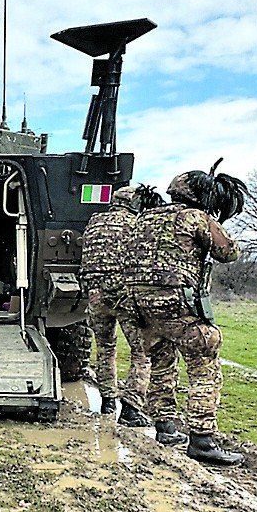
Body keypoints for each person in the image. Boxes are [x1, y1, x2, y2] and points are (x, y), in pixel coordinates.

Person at [125, 164, 247, 465]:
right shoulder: (195, 218)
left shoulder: (145, 217)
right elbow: (228, 252)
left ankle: (165, 428)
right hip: (175, 304)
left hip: (140, 305)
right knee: (204, 357)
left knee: (161, 363)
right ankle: (202, 440)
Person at [80, 185, 164, 426]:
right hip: (124, 293)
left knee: (105, 347)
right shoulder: (135, 223)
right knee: (142, 351)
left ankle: (107, 401)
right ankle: (131, 408)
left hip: (95, 293)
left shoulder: (95, 221)